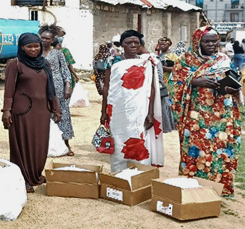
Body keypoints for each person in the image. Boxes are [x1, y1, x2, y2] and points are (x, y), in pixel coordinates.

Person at [168, 26, 240, 198]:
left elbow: (234, 82)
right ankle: (192, 186)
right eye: (206, 41)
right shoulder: (186, 60)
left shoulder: (223, 58)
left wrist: (232, 89)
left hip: (221, 116)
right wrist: (195, 81)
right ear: (197, 41)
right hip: (196, 117)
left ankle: (218, 188)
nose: (211, 44)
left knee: (220, 150)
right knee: (196, 149)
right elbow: (174, 83)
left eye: (214, 40)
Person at [3, 33, 61, 193]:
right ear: (22, 47)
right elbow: (9, 89)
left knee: (40, 144)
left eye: (36, 46)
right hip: (22, 110)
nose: (34, 49)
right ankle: (22, 179)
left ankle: (35, 175)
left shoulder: (44, 64)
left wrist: (56, 107)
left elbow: (51, 88)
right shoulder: (15, 64)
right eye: (29, 46)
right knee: (22, 144)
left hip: (42, 110)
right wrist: (6, 110)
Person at [100, 30, 164, 172]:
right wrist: (103, 111)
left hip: (140, 110)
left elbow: (151, 89)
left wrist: (150, 113)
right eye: (129, 42)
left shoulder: (147, 62)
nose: (133, 45)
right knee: (119, 142)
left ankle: (139, 175)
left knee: (139, 138)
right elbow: (106, 87)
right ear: (122, 44)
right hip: (117, 110)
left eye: (136, 42)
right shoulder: (113, 61)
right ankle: (119, 174)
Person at [39, 25, 74, 156]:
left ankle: (66, 144)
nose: (44, 41)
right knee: (44, 114)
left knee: (62, 114)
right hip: (41, 86)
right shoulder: (36, 52)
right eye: (42, 38)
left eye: (48, 38)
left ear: (53, 39)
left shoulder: (58, 53)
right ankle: (46, 145)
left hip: (57, 86)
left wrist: (67, 86)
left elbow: (65, 70)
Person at [156, 37, 178, 133]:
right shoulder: (159, 56)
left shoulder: (174, 57)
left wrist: (163, 68)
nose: (162, 46)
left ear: (169, 44)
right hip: (161, 82)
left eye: (164, 44)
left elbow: (176, 69)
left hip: (170, 82)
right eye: (160, 45)